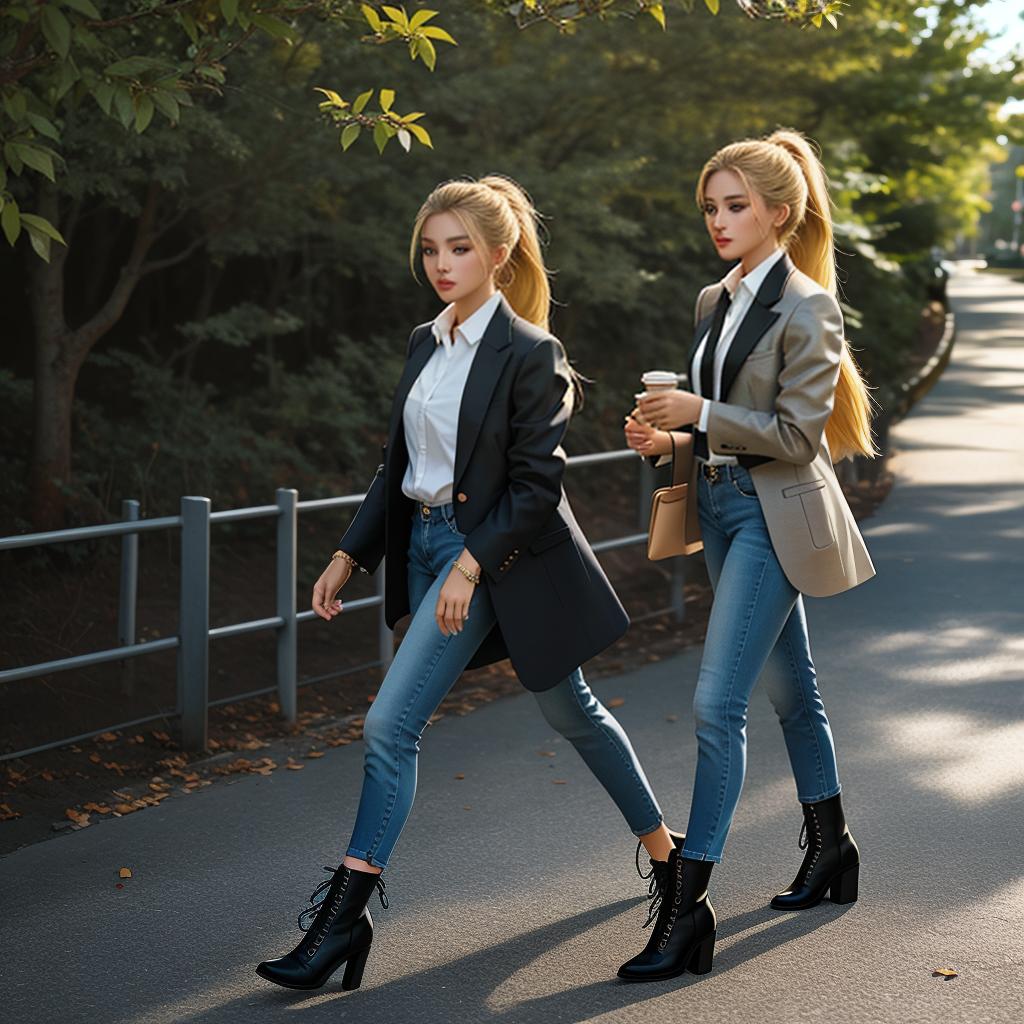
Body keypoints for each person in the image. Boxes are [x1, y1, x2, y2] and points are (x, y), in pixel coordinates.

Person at [255, 174, 683, 992]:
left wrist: (468, 562)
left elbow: (535, 486)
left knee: (390, 725)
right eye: (430, 249)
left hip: (491, 559)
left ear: (499, 253)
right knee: (574, 711)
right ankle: (669, 861)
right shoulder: (426, 340)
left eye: (458, 248)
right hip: (419, 547)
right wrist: (352, 552)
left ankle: (343, 919)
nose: (441, 264)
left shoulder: (530, 352)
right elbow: (400, 465)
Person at [619, 129, 878, 982]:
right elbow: (713, 425)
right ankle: (831, 849)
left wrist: (699, 409)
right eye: (710, 207)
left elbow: (800, 437)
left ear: (779, 211)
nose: (718, 220)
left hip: (775, 517)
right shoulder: (713, 301)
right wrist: (665, 438)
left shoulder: (809, 306)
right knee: (790, 689)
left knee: (714, 706)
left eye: (735, 206)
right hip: (722, 508)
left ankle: (687, 910)